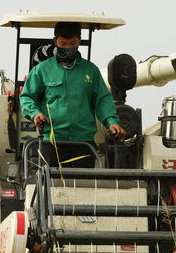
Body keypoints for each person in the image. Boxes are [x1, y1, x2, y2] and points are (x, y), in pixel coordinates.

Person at [20, 22, 126, 168]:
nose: (68, 47)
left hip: (84, 143)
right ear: (55, 41)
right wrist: (35, 114)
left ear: (79, 41)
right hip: (52, 142)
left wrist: (111, 122)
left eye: (72, 43)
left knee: (83, 186)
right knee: (52, 187)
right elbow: (27, 97)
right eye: (63, 43)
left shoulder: (91, 71)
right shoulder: (42, 70)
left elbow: (102, 100)